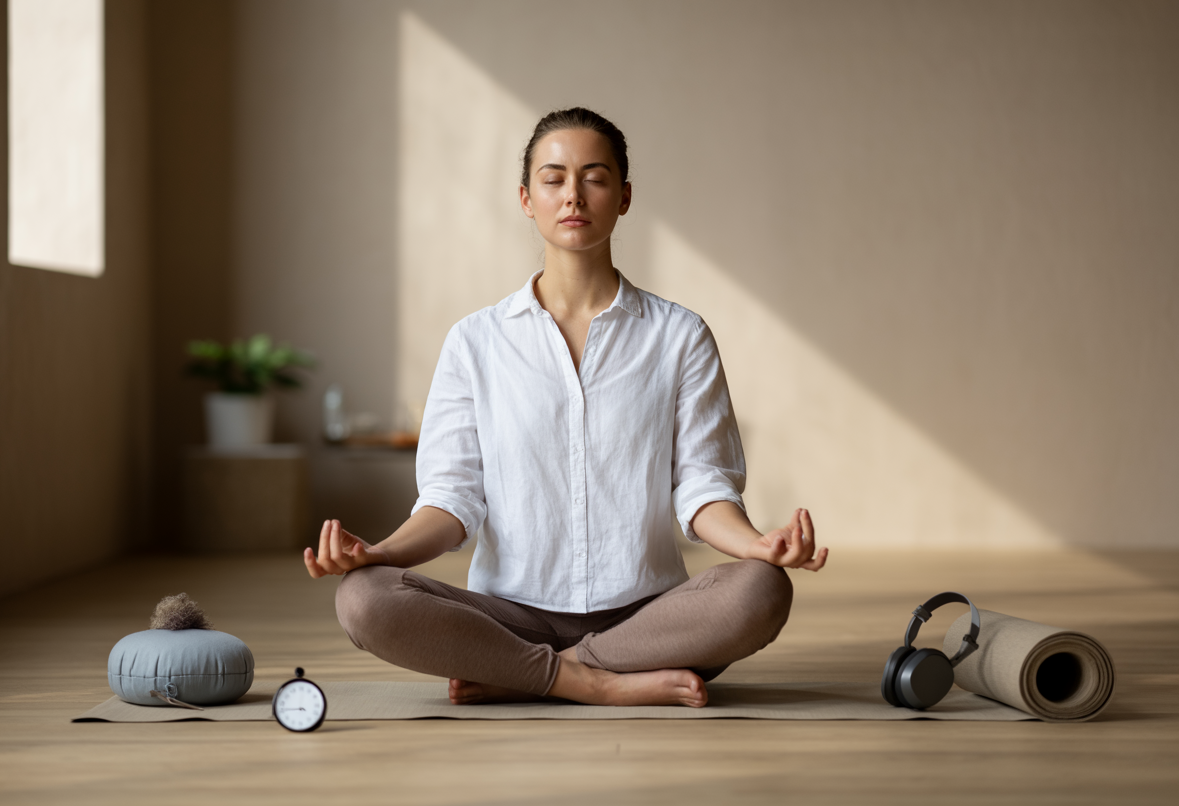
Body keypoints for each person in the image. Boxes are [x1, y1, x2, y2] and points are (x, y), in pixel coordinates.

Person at [305, 108, 828, 707]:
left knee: (763, 588)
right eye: (553, 179)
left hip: (647, 619)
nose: (573, 195)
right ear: (526, 199)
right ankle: (594, 683)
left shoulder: (680, 336)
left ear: (624, 197)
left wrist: (756, 545)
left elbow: (703, 487)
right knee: (363, 597)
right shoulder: (475, 341)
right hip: (509, 616)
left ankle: (532, 673)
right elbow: (452, 499)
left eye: (595, 178)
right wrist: (379, 553)